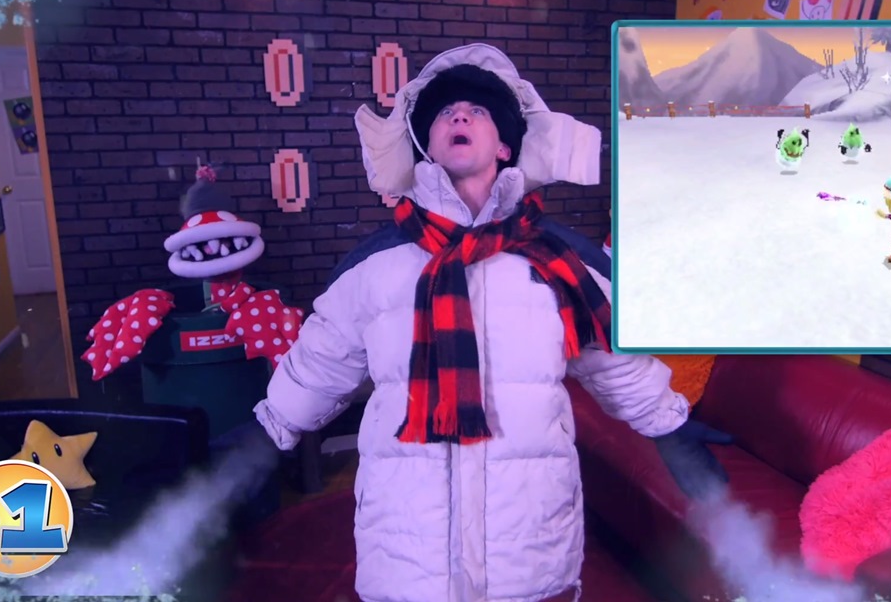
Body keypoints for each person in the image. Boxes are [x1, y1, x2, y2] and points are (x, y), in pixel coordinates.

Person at [251, 44, 733, 602]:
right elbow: (321, 361)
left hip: (525, 532)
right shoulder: (377, 266)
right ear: (426, 145)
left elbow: (613, 361)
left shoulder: (558, 261)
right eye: (445, 113)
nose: (459, 116)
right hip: (410, 541)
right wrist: (264, 435)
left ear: (505, 146)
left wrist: (671, 429)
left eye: (476, 111)